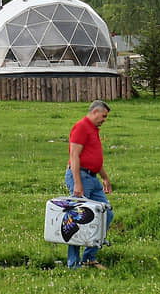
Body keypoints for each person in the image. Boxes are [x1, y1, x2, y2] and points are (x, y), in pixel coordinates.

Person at [64, 100, 114, 270]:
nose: (105, 119)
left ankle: (89, 257)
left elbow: (94, 157)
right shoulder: (81, 127)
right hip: (81, 177)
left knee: (106, 214)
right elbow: (75, 156)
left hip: (93, 178)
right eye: (103, 116)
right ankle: (73, 263)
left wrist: (105, 177)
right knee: (78, 218)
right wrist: (78, 183)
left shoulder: (93, 130)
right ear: (95, 112)